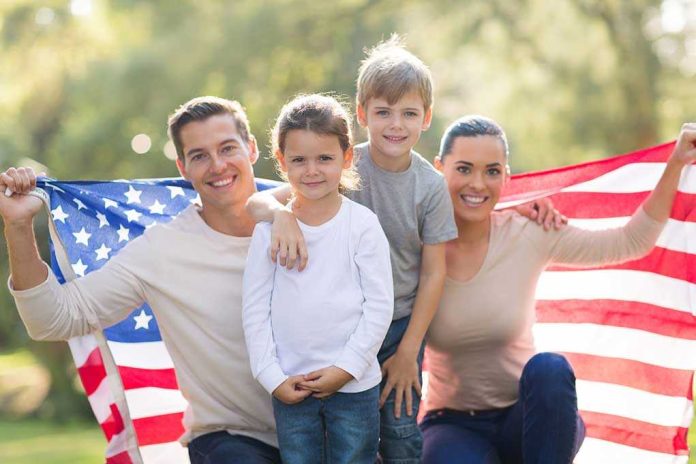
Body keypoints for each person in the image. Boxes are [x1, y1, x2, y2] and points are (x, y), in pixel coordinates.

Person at [246, 36, 562, 463]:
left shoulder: (429, 186)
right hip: (343, 325)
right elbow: (260, 201)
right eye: (383, 112)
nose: (396, 124)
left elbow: (434, 272)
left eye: (409, 113)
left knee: (398, 430)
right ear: (362, 114)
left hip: (398, 326)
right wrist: (279, 215)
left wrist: (410, 350)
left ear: (426, 117)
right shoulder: (339, 165)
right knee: (342, 436)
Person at [0, 96, 282, 464]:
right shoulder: (161, 250)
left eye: (228, 148)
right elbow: (52, 319)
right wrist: (18, 225)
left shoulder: (307, 216)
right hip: (233, 441)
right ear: (182, 167)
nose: (218, 165)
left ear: (252, 149)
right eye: (199, 155)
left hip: (322, 428)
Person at [421, 116, 696, 464]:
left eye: (492, 171)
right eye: (464, 169)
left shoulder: (528, 232)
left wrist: (676, 162)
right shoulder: (417, 246)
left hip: (528, 418)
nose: (477, 183)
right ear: (439, 169)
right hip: (453, 424)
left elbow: (630, 241)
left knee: (550, 368)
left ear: (506, 176)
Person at [242, 94, 394, 464]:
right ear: (281, 162)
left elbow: (378, 306)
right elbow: (254, 309)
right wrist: (271, 376)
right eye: (299, 160)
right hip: (291, 384)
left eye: (324, 158)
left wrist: (346, 369)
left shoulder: (361, 225)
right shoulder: (269, 232)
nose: (312, 170)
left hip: (354, 384)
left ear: (347, 157)